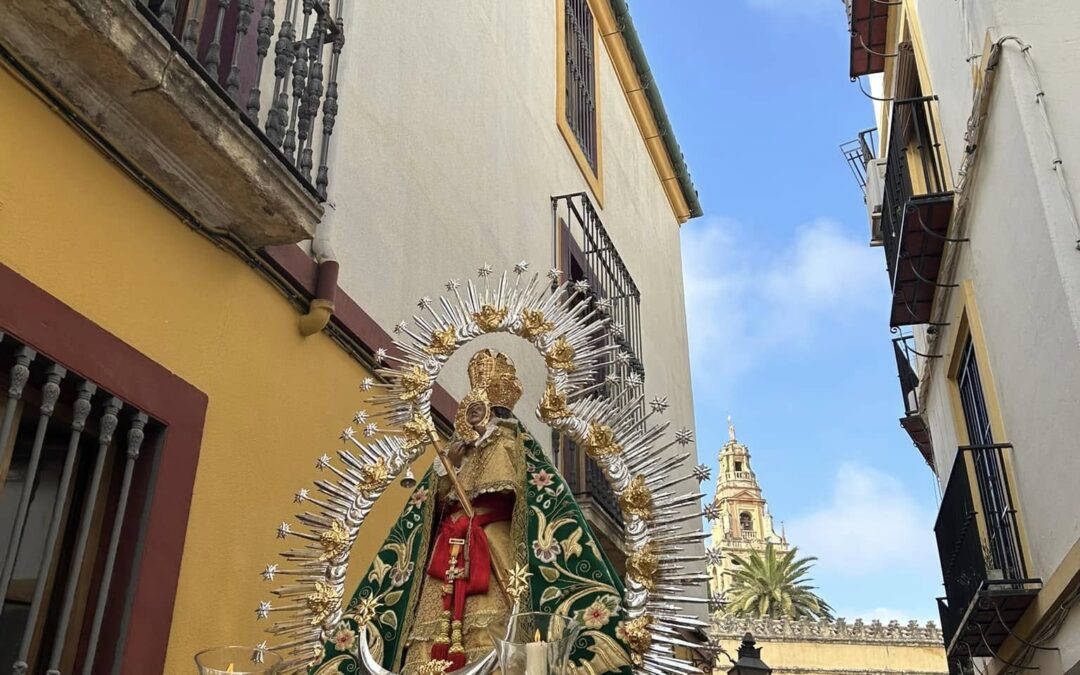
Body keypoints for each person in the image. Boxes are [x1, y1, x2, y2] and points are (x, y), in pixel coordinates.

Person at [312, 349, 632, 674]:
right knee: (435, 620)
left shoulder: (513, 443)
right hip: (449, 546)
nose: (478, 416)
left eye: (484, 411)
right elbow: (430, 503)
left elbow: (523, 489)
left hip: (493, 541)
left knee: (499, 617)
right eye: (473, 410)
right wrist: (452, 460)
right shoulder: (455, 452)